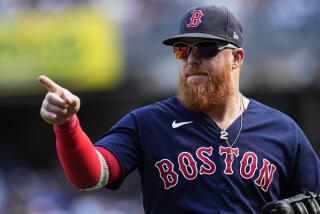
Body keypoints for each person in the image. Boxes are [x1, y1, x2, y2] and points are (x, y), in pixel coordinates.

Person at [38, 5, 320, 214]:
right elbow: (90, 175)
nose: (192, 60)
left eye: (206, 49)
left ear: (236, 58)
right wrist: (67, 124)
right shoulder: (147, 122)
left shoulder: (283, 130)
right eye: (182, 50)